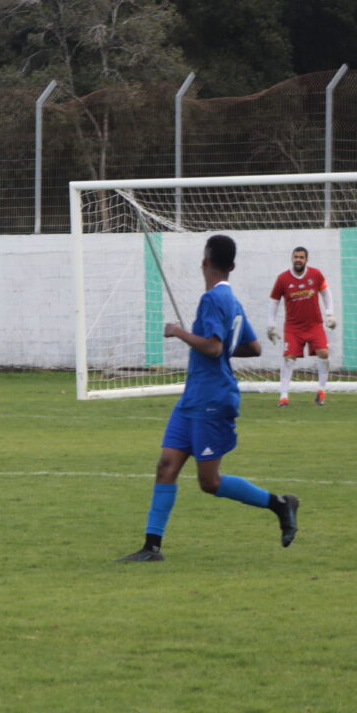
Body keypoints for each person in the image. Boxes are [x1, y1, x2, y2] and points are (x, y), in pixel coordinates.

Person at [119, 235, 300, 563]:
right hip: (193, 399)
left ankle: (279, 504)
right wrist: (216, 344)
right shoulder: (230, 300)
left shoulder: (212, 299)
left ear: (204, 262)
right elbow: (253, 347)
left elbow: (215, 347)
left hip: (212, 400)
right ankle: (152, 547)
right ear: (232, 266)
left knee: (209, 481)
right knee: (166, 466)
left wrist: (178, 332)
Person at [268, 246, 337, 407]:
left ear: (306, 260)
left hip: (314, 325)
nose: (298, 260)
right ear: (292, 258)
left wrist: (330, 314)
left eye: (301, 257)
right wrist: (271, 325)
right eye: (295, 257)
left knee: (324, 353)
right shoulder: (283, 278)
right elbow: (274, 301)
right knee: (288, 358)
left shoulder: (316, 274)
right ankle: (283, 397)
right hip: (293, 327)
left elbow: (326, 292)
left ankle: (321, 391)